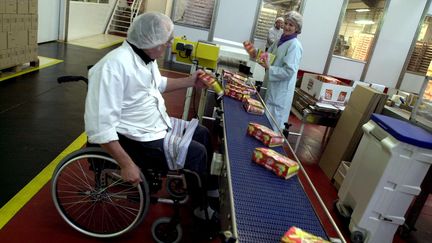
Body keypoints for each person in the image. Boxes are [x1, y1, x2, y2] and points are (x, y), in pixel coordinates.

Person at [84, 12, 219, 231]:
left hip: (154, 124)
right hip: (136, 138)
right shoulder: (113, 67)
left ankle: (209, 189)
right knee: (196, 152)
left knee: (202, 133)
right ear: (150, 42)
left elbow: (159, 84)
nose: (170, 44)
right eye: (166, 41)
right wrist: (127, 164)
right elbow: (100, 127)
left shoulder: (145, 58)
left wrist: (192, 81)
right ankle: (200, 209)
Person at [259, 11, 303, 132]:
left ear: (297, 28)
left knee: (272, 128)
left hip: (279, 93)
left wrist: (270, 68)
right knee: (263, 124)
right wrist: (262, 57)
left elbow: (289, 71)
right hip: (270, 86)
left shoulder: (294, 45)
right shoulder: (280, 40)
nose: (287, 27)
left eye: (291, 25)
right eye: (286, 23)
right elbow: (270, 54)